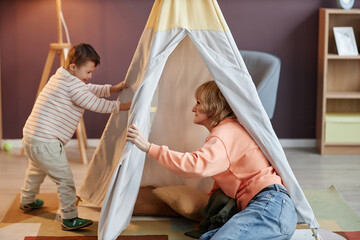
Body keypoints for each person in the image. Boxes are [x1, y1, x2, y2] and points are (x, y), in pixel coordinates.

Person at [127, 80, 297, 239]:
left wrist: (149, 148)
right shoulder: (228, 132)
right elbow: (223, 179)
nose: (193, 108)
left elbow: (194, 165)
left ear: (213, 107)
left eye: (198, 103)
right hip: (271, 209)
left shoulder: (225, 133)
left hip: (270, 207)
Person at [21, 43, 131, 231]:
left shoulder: (61, 78)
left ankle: (27, 199)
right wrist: (121, 107)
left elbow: (87, 89)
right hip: (47, 142)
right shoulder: (73, 87)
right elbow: (95, 103)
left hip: (32, 137)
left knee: (36, 171)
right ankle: (69, 218)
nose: (89, 77)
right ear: (73, 67)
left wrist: (111, 89)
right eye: (88, 72)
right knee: (65, 180)